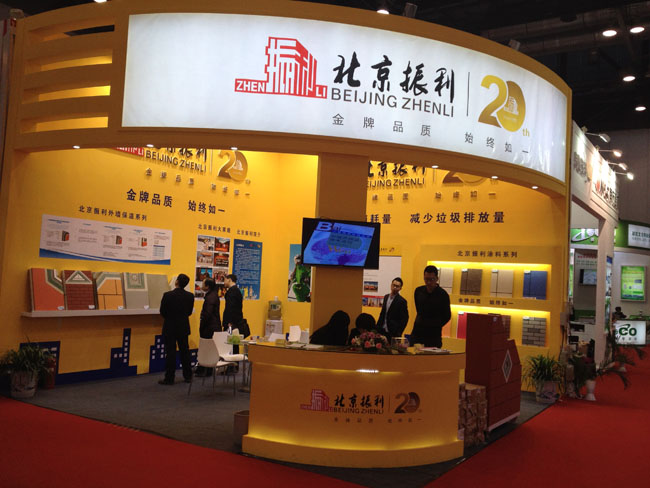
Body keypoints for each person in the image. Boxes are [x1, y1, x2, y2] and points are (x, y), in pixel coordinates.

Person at [159, 273, 194, 385]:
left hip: (170, 327)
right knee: (185, 352)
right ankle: (188, 376)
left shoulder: (167, 295)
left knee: (170, 353)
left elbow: (162, 312)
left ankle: (169, 378)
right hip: (183, 327)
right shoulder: (190, 296)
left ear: (176, 282)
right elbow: (189, 312)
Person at [411, 265, 451, 348]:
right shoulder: (418, 291)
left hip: (434, 335)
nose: (428, 282)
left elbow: (447, 316)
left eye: (431, 279)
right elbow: (418, 310)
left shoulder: (443, 294)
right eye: (426, 279)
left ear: (437, 279)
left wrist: (435, 324)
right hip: (418, 332)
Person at [196, 278, 221, 377]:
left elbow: (207, 313)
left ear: (207, 286)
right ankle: (205, 370)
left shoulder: (210, 297)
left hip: (209, 327)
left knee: (206, 348)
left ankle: (205, 370)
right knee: (209, 348)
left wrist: (202, 324)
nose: (201, 285)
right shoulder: (213, 295)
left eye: (203, 284)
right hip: (213, 326)